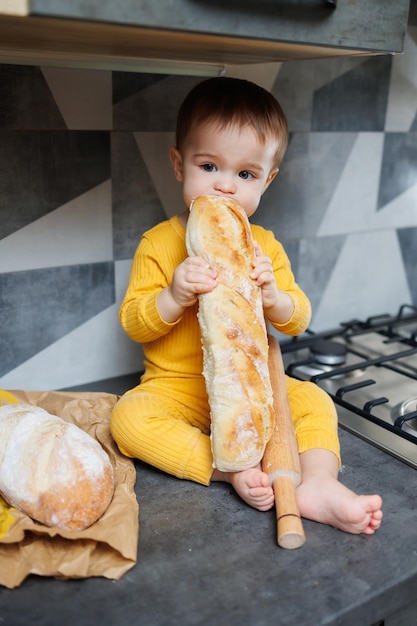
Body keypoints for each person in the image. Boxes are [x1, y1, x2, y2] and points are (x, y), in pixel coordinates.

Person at [110, 77, 383, 535]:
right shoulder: (159, 243)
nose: (224, 187)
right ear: (179, 164)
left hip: (252, 387)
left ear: (268, 179)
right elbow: (135, 323)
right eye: (210, 165)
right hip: (178, 389)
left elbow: (298, 318)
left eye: (245, 174)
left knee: (314, 399)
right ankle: (228, 469)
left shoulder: (265, 247)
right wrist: (174, 296)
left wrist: (274, 298)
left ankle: (316, 482)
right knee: (128, 420)